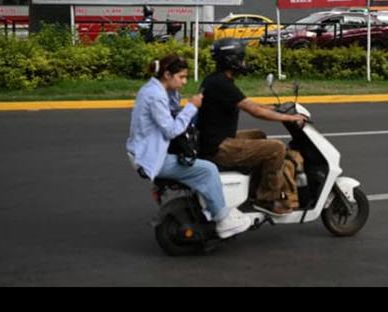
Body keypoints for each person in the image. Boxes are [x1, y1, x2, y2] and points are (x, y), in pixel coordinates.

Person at [126, 54, 251, 239]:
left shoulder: (157, 89)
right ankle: (223, 219)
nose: (184, 82)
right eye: (181, 77)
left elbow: (173, 112)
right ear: (167, 75)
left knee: (199, 161)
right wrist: (192, 107)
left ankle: (213, 207)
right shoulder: (155, 96)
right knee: (208, 169)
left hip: (148, 152)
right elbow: (171, 130)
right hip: (152, 158)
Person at [196, 39, 307, 216]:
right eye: (241, 58)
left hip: (212, 139)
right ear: (231, 60)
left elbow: (247, 103)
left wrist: (273, 108)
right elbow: (255, 111)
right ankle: (267, 199)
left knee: (259, 135)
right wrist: (289, 117)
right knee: (276, 148)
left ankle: (255, 186)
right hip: (219, 147)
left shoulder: (217, 80)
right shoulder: (222, 84)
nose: (244, 62)